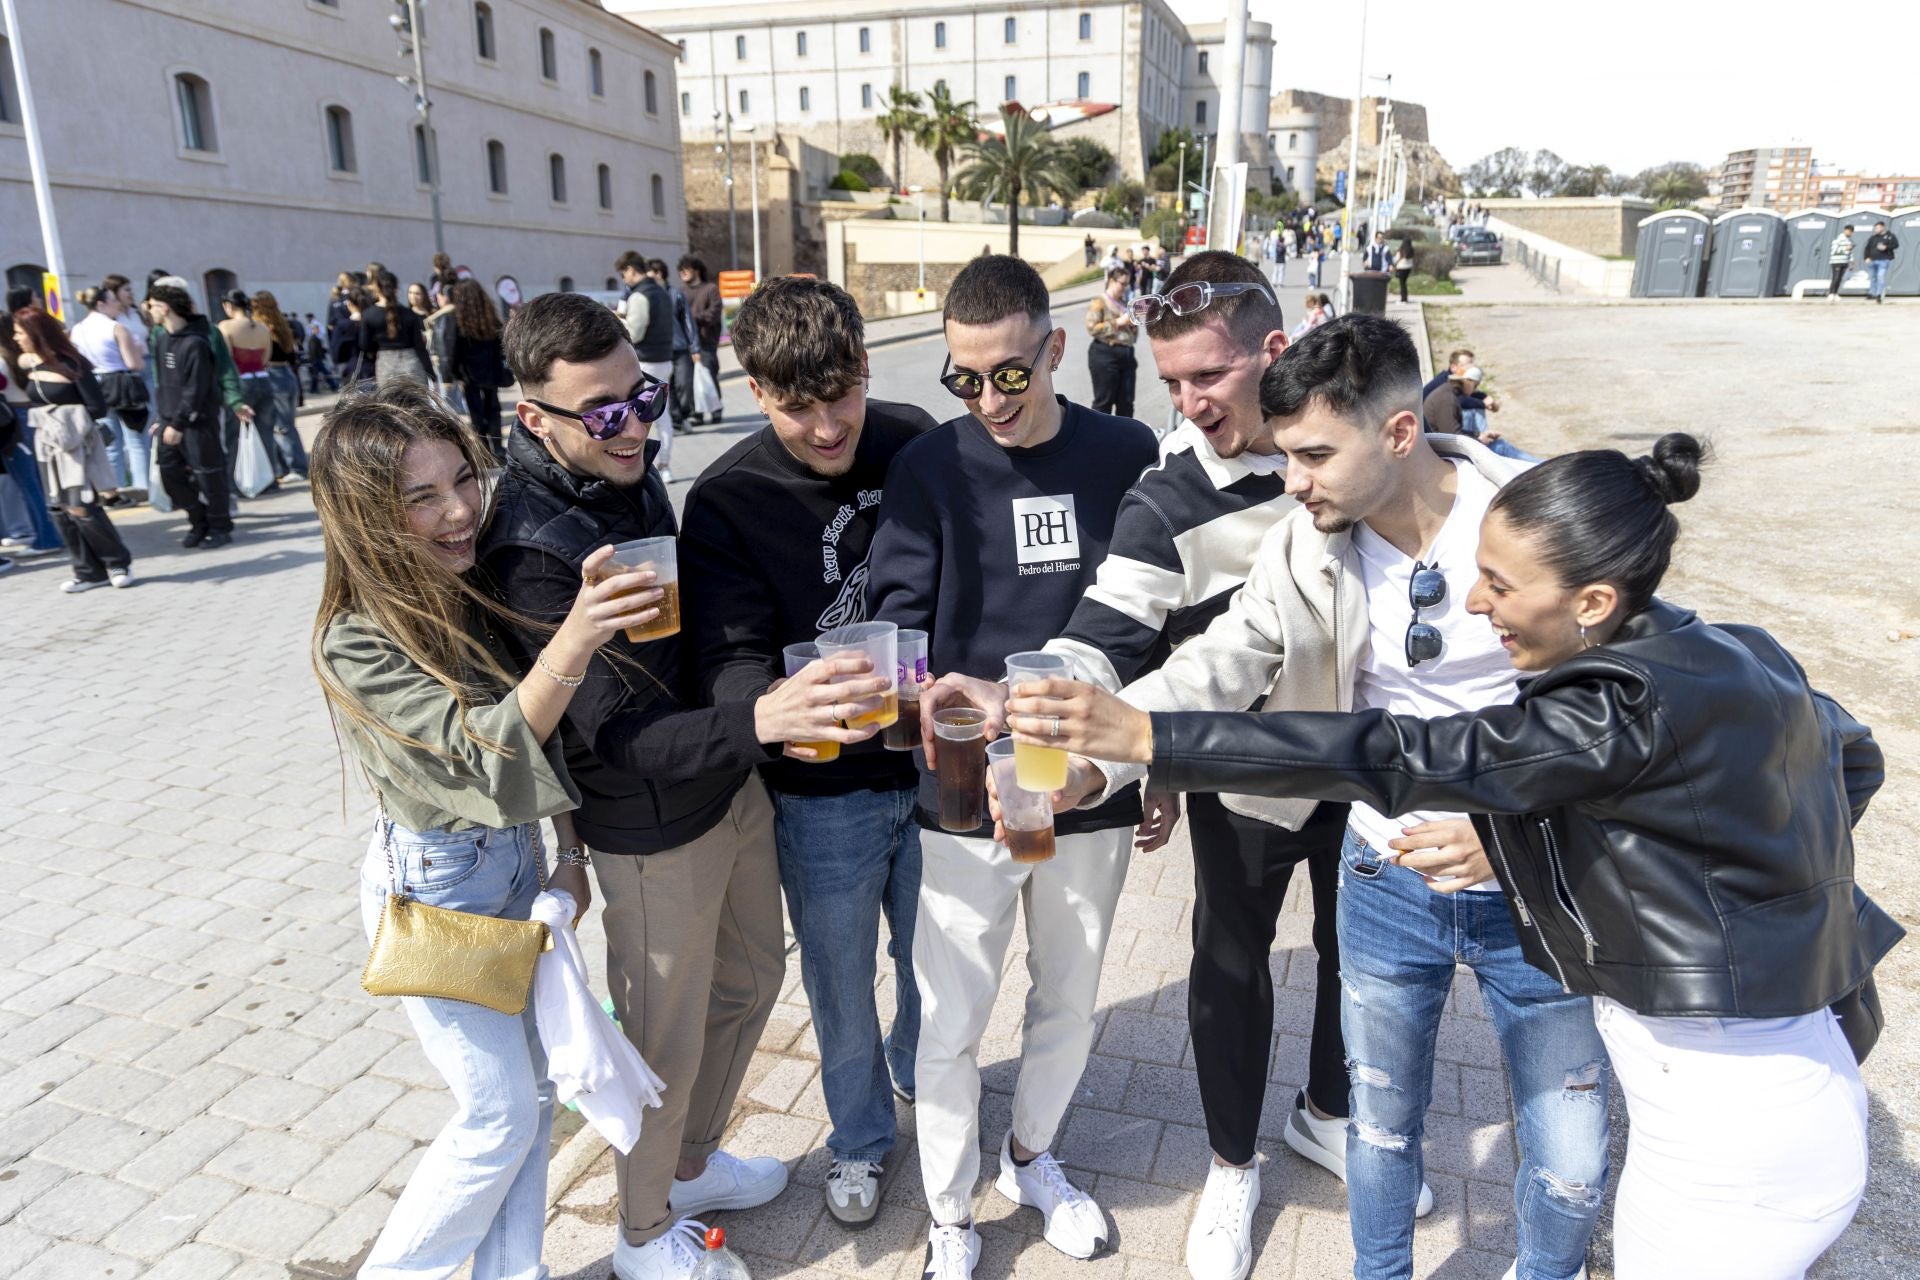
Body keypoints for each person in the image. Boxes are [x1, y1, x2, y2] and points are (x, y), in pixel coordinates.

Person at [1011, 432, 1903, 1280]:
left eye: (1500, 586)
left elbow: (1397, 755)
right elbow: (1852, 760)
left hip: (1730, 1144)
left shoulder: (1607, 711)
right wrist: (1738, 886)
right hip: (1796, 1077)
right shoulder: (1737, 648)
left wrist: (1149, 736)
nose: (1474, 603)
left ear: (1591, 602)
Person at [1020, 316, 1612, 1280]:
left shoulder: (1533, 517)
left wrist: (1510, 826)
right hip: (1383, 873)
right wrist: (1107, 754)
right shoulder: (1309, 541)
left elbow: (1617, 709)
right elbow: (1225, 656)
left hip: (1533, 881)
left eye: (1312, 456)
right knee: (1380, 1127)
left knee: (1570, 1142)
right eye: (1285, 454)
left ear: (1399, 434)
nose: (1290, 481)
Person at [478, 290, 887, 1280]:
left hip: (725, 783)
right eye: (606, 412)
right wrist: (764, 718)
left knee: (750, 981)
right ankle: (641, 1227)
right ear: (535, 416)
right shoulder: (531, 547)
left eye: (644, 396)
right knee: (657, 1035)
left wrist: (749, 711)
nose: (635, 426)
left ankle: (689, 1164)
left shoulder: (625, 472)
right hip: (648, 827)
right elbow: (612, 739)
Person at [1041, 252, 1434, 1280]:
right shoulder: (1165, 501)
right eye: (1170, 382)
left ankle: (1329, 1110)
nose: (1189, 402)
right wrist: (1065, 709)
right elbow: (1109, 632)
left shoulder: (1359, 450)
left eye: (1206, 376)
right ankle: (1228, 1163)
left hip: (1366, 778)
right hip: (1248, 774)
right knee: (1231, 961)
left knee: (1361, 952)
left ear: (1274, 351)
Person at [311, 381, 663, 1278]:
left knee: (536, 1101)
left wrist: (572, 853)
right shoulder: (354, 640)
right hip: (438, 889)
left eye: (462, 480)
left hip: (516, 868)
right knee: (497, 1112)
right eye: (420, 497)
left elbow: (546, 748)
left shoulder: (463, 589)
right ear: (364, 517)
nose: (460, 510)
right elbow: (483, 756)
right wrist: (574, 639)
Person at [865, 254, 1160, 1279]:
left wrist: (1147, 767)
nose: (986, 397)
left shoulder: (1127, 449)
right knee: (948, 1014)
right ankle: (951, 1209)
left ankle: (1033, 1157)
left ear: (1057, 349)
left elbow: (1157, 624)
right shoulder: (932, 466)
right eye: (963, 377)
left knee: (1068, 994)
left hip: (1084, 783)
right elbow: (899, 623)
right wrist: (931, 692)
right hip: (964, 791)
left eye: (1008, 374)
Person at [680, 276, 938, 1229]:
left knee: (936, 959)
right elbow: (729, 659)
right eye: (798, 407)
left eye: (843, 396)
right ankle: (861, 1140)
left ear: (867, 369)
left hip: (928, 760)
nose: (829, 426)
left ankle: (921, 1070)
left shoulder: (915, 440)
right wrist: (772, 706)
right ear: (756, 390)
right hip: (822, 794)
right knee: (839, 980)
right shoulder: (726, 499)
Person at [16, 310, 134, 592]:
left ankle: (117, 562)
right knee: (60, 508)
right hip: (48, 447)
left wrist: (63, 417)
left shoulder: (73, 363)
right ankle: (88, 571)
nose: (15, 338)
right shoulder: (34, 364)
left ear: (37, 334)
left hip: (77, 446)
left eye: (20, 332)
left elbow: (97, 406)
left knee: (81, 505)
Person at [147, 282, 236, 549]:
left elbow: (196, 388)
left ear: (164, 308)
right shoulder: (162, 339)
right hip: (169, 420)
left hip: (197, 423)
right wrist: (162, 419)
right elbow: (164, 385)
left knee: (209, 474)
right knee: (169, 474)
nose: (147, 310)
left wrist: (179, 422)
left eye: (151, 305)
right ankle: (198, 520)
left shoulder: (196, 343)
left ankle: (220, 527)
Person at [71, 281, 152, 502]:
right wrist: (137, 350)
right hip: (122, 382)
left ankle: (114, 489)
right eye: (112, 300)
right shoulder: (115, 328)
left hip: (95, 385)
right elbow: (134, 363)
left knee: (109, 442)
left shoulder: (77, 330)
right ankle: (142, 487)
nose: (116, 304)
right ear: (101, 304)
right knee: (136, 440)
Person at [616, 250, 676, 482]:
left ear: (631, 269)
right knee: (663, 415)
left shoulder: (639, 296)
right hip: (664, 358)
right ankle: (665, 463)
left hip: (646, 362)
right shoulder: (661, 291)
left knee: (644, 417)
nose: (624, 279)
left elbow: (635, 333)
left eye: (624, 274)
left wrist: (618, 319)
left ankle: (652, 465)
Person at [252, 291, 311, 480]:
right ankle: (292, 466)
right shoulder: (284, 325)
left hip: (273, 373)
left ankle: (294, 467)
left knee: (281, 426)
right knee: (287, 423)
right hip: (287, 373)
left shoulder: (262, 328)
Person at [450, 279, 508, 459]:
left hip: (470, 374)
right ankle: (498, 448)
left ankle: (484, 452)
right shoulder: (491, 318)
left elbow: (454, 351)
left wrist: (455, 373)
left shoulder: (459, 322)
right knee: (493, 409)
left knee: (476, 413)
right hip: (491, 371)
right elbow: (501, 348)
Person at [1084, 264, 1139, 417]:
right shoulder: (1099, 302)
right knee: (1104, 402)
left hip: (1126, 354)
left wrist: (1133, 327)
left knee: (1126, 403)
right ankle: (1100, 439)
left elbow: (1131, 332)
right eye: (1122, 283)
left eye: (1127, 284)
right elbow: (1092, 328)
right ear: (1111, 281)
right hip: (1105, 354)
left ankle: (1124, 438)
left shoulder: (1123, 303)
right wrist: (1118, 323)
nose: (1125, 288)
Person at [654, 259, 701, 438]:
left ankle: (683, 414)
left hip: (680, 348)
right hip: (661, 351)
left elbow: (688, 322)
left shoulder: (676, 294)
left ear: (661, 274)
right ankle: (677, 420)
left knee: (684, 385)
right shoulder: (651, 297)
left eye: (654, 274)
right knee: (668, 387)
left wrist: (694, 347)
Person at [362, 271, 435, 385]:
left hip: (385, 365)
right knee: (415, 402)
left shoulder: (369, 315)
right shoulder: (409, 314)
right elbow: (419, 346)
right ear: (396, 289)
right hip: (411, 364)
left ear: (377, 289)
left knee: (389, 402)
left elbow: (365, 345)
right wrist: (431, 372)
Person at [677, 256, 723, 426]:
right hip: (686, 343)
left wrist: (690, 318)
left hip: (706, 341)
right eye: (680, 270)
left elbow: (714, 313)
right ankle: (696, 412)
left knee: (709, 374)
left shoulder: (711, 289)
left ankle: (716, 409)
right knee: (690, 380)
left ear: (696, 269)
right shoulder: (680, 292)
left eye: (685, 268)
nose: (682, 272)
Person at [1862, 219, 1898, 303]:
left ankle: (1879, 295)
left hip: (1883, 260)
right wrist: (1866, 257)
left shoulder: (1890, 236)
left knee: (1880, 277)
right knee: (1873, 277)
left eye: (1877, 228)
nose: (1876, 230)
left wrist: (1886, 247)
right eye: (1875, 228)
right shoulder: (1873, 237)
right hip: (1872, 260)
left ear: (1883, 227)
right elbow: (1867, 248)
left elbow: (1896, 245)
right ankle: (1872, 294)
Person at [304, 313, 340, 393]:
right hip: (316, 360)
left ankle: (314, 389)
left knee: (316, 375)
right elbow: (314, 350)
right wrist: (317, 358)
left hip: (316, 359)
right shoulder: (313, 338)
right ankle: (332, 386)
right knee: (323, 373)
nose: (318, 330)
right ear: (313, 330)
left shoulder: (314, 338)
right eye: (316, 329)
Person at [1826, 224, 1854, 301]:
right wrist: (1845, 249)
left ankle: (1835, 293)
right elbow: (1834, 251)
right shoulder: (1838, 239)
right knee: (1836, 277)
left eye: (1851, 232)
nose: (1849, 233)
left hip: (1845, 262)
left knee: (1840, 278)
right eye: (1848, 231)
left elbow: (1850, 252)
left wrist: (1851, 261)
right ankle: (1831, 293)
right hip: (1836, 261)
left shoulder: (1850, 241)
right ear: (1845, 230)